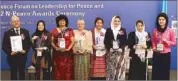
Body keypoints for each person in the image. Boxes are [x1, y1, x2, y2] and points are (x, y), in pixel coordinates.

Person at [2, 15, 31, 80]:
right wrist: (10, 52)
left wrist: (25, 50)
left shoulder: (25, 32)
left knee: (22, 74)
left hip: (22, 56)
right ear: (12, 23)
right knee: (13, 75)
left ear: (20, 22)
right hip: (12, 57)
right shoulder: (7, 33)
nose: (16, 22)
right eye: (14, 21)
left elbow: (29, 44)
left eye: (17, 21)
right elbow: (4, 46)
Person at [151, 13, 176, 80]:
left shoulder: (170, 30)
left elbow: (174, 43)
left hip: (166, 55)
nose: (161, 21)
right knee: (156, 72)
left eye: (163, 19)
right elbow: (153, 41)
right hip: (157, 54)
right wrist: (154, 47)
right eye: (159, 19)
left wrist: (167, 42)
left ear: (166, 21)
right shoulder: (155, 30)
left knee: (164, 72)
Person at [51, 15, 74, 80]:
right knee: (58, 70)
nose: (62, 22)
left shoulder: (69, 30)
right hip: (57, 54)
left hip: (67, 54)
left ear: (66, 21)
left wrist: (68, 49)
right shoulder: (54, 30)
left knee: (67, 70)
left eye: (63, 20)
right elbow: (52, 42)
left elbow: (73, 41)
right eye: (60, 21)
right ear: (57, 22)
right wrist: (56, 48)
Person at [104, 16, 127, 80]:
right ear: (112, 21)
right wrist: (109, 48)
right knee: (110, 68)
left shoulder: (123, 30)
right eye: (115, 21)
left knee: (118, 68)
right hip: (111, 52)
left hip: (119, 52)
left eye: (118, 21)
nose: (117, 22)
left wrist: (121, 48)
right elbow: (106, 41)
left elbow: (125, 41)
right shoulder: (109, 30)